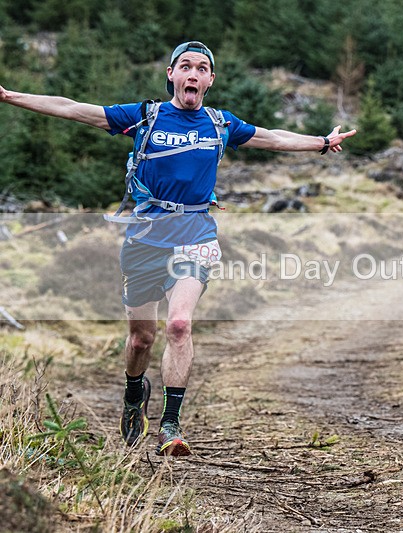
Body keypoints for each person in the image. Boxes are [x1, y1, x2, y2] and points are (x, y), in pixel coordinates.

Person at [0, 41, 356, 457]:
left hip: (196, 235)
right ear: (171, 74)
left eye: (201, 68)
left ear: (209, 80)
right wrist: (10, 96)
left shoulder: (221, 124)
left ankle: (170, 424)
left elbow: (274, 137)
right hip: (145, 240)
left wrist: (321, 142)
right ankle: (135, 392)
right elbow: (73, 107)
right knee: (140, 340)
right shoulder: (144, 117)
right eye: (185, 66)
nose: (193, 73)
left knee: (180, 325)